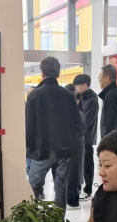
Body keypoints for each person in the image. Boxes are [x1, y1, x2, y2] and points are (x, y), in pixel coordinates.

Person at [26, 57, 81, 211]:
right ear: (58, 73)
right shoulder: (68, 95)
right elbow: (76, 124)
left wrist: (28, 148)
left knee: (33, 186)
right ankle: (58, 220)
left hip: (40, 150)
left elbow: (29, 125)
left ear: (42, 72)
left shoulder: (34, 95)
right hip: (64, 150)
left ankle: (33, 218)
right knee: (61, 188)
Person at [73, 74, 99, 202]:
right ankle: (80, 189)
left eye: (78, 85)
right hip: (80, 138)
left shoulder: (91, 100)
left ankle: (88, 191)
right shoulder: (82, 98)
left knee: (87, 165)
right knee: (81, 165)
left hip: (86, 138)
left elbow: (87, 121)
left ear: (85, 85)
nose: (76, 88)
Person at [66, 91, 86, 210]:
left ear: (78, 101)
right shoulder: (76, 113)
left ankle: (72, 201)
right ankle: (72, 199)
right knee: (74, 173)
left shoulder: (77, 114)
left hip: (75, 146)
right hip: (75, 145)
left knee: (73, 174)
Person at [98, 64, 117, 137]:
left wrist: (107, 142)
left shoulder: (111, 96)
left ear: (107, 78)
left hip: (114, 141)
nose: (98, 80)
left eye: (99, 76)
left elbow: (110, 124)